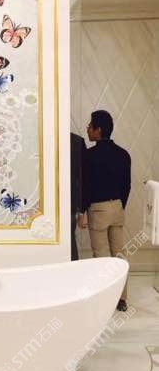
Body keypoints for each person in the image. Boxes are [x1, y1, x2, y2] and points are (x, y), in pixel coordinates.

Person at [78, 110, 131, 311]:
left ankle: (106, 299)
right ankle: (122, 299)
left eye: (90, 126)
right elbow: (127, 185)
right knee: (119, 255)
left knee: (101, 256)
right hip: (117, 208)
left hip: (98, 211)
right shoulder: (124, 154)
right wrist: (120, 205)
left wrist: (82, 212)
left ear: (98, 130)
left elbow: (86, 187)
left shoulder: (89, 156)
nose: (87, 129)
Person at [70, 133, 86, 261]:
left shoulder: (45, 135)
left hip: (45, 201)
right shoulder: (77, 141)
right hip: (71, 199)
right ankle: (73, 266)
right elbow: (82, 177)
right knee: (70, 236)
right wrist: (81, 208)